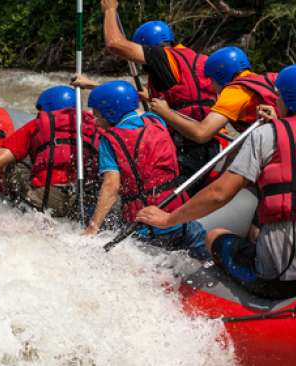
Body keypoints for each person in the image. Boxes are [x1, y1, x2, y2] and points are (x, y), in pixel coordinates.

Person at [136, 64, 296, 299]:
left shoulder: (266, 135)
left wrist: (168, 219)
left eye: (278, 95)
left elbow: (220, 193)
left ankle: (222, 300)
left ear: (288, 98)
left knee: (213, 236)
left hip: (279, 276)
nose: (276, 99)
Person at [96, 0, 221, 193]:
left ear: (147, 46)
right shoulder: (197, 59)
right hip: (208, 144)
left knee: (161, 199)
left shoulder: (160, 55)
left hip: (186, 148)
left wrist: (110, 10)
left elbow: (114, 43)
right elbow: (187, 97)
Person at [82, 80, 207, 259]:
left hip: (147, 226)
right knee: (206, 259)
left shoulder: (109, 141)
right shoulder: (155, 120)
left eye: (98, 115)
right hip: (182, 216)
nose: (95, 122)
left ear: (111, 113)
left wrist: (92, 228)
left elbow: (111, 186)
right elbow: (131, 104)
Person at [0, 85, 100, 218]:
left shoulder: (37, 125)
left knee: (15, 162)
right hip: (83, 201)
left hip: (47, 200)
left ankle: (11, 199)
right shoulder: (95, 127)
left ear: (45, 108)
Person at [150, 46, 279, 143]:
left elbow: (201, 134)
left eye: (211, 80)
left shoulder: (236, 92)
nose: (211, 86)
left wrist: (166, 113)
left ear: (220, 76)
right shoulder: (263, 79)